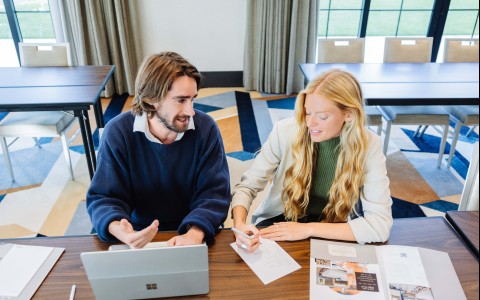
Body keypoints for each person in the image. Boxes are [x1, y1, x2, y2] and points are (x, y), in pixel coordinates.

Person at [231, 69, 392, 252]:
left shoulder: (369, 145)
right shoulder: (284, 131)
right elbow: (248, 186)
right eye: (308, 112)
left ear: (349, 114)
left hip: (333, 225)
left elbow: (380, 225)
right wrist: (239, 224)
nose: (310, 123)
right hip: (283, 218)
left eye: (322, 116)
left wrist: (307, 229)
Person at [86, 51, 230, 248]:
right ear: (152, 99)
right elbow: (105, 196)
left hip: (193, 229)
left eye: (192, 99)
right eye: (181, 100)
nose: (190, 111)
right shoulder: (118, 132)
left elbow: (214, 194)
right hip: (136, 232)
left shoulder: (206, 128)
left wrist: (195, 234)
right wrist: (120, 229)